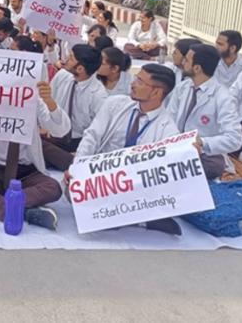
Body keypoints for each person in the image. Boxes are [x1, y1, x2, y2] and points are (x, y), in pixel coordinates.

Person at [0, 54, 69, 231]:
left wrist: (50, 102)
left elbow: (60, 130)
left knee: (53, 188)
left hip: (26, 172)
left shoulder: (35, 102)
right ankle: (23, 212)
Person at [71, 64, 183, 235]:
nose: (133, 83)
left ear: (156, 92)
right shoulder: (115, 103)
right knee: (70, 189)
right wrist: (77, 166)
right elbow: (92, 136)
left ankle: (120, 217)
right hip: (101, 178)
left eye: (140, 81)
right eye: (135, 78)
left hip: (133, 186)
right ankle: (141, 221)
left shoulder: (167, 128)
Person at [167, 44, 242, 178]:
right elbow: (168, 120)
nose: (183, 62)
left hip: (203, 154)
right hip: (176, 149)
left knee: (206, 167)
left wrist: (202, 142)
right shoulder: (182, 88)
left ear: (197, 68)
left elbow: (235, 139)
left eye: (187, 60)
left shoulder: (223, 97)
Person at [42, 44, 107, 171]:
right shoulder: (62, 75)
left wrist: (81, 153)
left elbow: (98, 132)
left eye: (71, 58)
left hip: (76, 142)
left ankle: (75, 163)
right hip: (53, 135)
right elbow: (47, 103)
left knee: (40, 149)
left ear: (80, 68)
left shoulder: (98, 95)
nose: (66, 59)